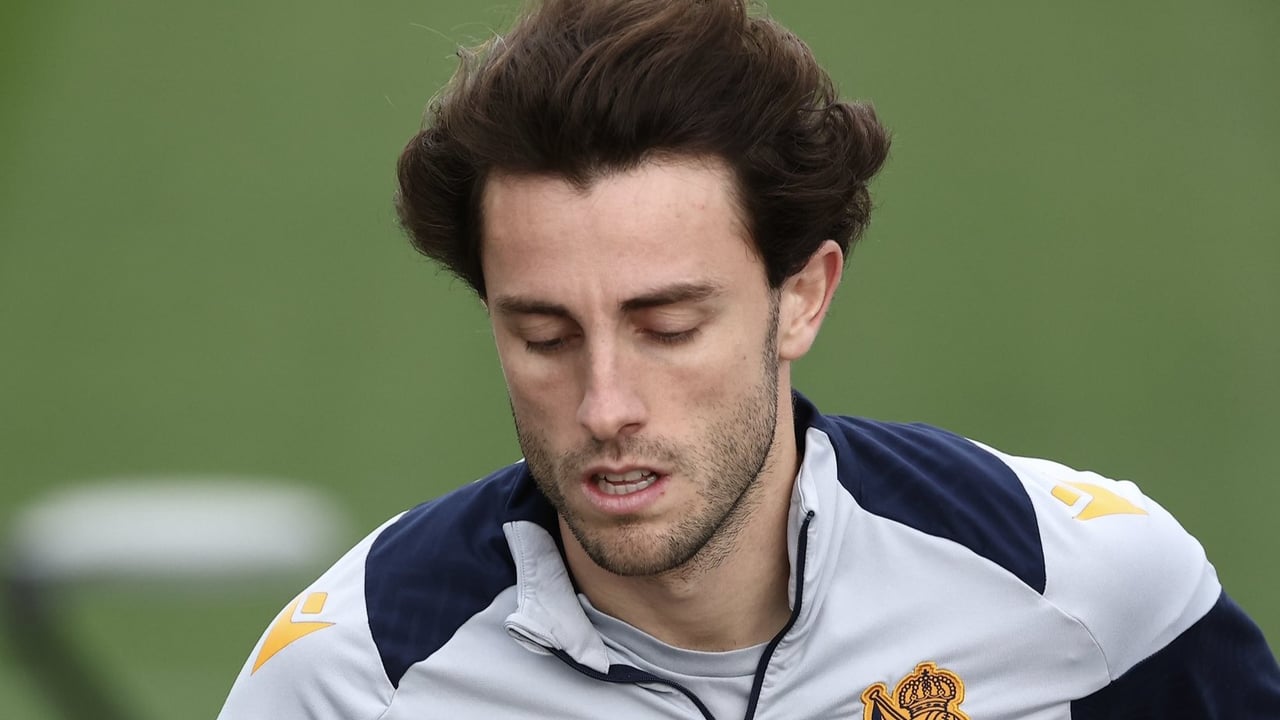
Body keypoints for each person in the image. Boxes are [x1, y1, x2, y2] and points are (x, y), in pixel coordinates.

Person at [217, 0, 1280, 717]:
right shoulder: (350, 679)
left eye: (668, 327)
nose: (604, 406)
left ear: (801, 298)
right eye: (544, 337)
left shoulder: (1083, 583)